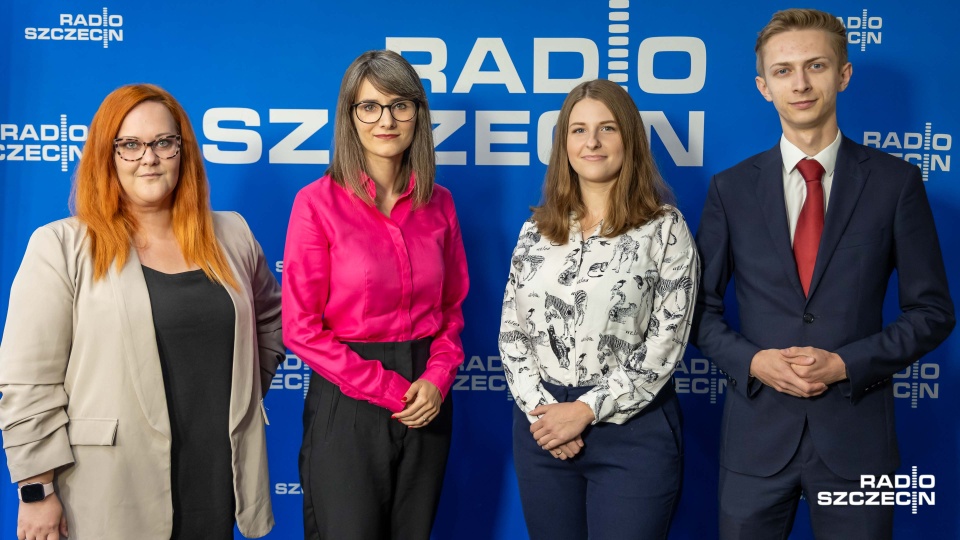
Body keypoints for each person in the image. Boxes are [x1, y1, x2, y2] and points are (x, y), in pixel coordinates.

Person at [692, 8, 955, 540]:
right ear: (764, 87)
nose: (801, 83)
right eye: (784, 71)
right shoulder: (731, 190)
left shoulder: (896, 183)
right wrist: (755, 362)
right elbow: (697, 311)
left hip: (858, 438)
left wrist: (845, 364)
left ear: (843, 74)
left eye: (815, 65)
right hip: (755, 441)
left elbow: (932, 311)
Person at [0, 84, 284, 540]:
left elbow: (272, 320)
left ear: (182, 151)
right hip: (110, 491)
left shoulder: (233, 234)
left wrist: (246, 392)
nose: (148, 158)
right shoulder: (61, 245)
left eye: (163, 143)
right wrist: (36, 491)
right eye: (129, 145)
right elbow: (29, 381)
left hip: (214, 484)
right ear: (106, 156)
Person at [498, 79, 699, 540]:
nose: (591, 142)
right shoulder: (537, 230)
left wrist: (585, 410)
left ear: (629, 139)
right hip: (543, 430)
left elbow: (666, 341)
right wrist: (544, 413)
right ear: (563, 142)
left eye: (607, 128)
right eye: (578, 129)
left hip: (634, 433)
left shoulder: (665, 228)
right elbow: (512, 332)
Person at [283, 49, 469, 540]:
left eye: (400, 105)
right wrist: (390, 390)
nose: (386, 120)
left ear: (417, 115)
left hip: (428, 398)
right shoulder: (315, 204)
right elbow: (300, 330)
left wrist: (437, 376)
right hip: (349, 399)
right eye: (370, 107)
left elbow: (451, 311)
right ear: (351, 116)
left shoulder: (441, 204)